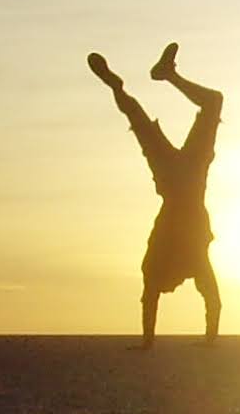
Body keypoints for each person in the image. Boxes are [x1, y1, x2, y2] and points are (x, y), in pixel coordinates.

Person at [88, 41, 222, 345]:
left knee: (208, 103)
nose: (174, 287)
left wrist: (150, 341)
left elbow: (212, 303)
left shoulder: (170, 260)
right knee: (142, 120)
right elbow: (157, 299)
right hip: (180, 176)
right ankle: (154, 78)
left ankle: (134, 83)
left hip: (185, 176)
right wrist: (152, 340)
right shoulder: (171, 261)